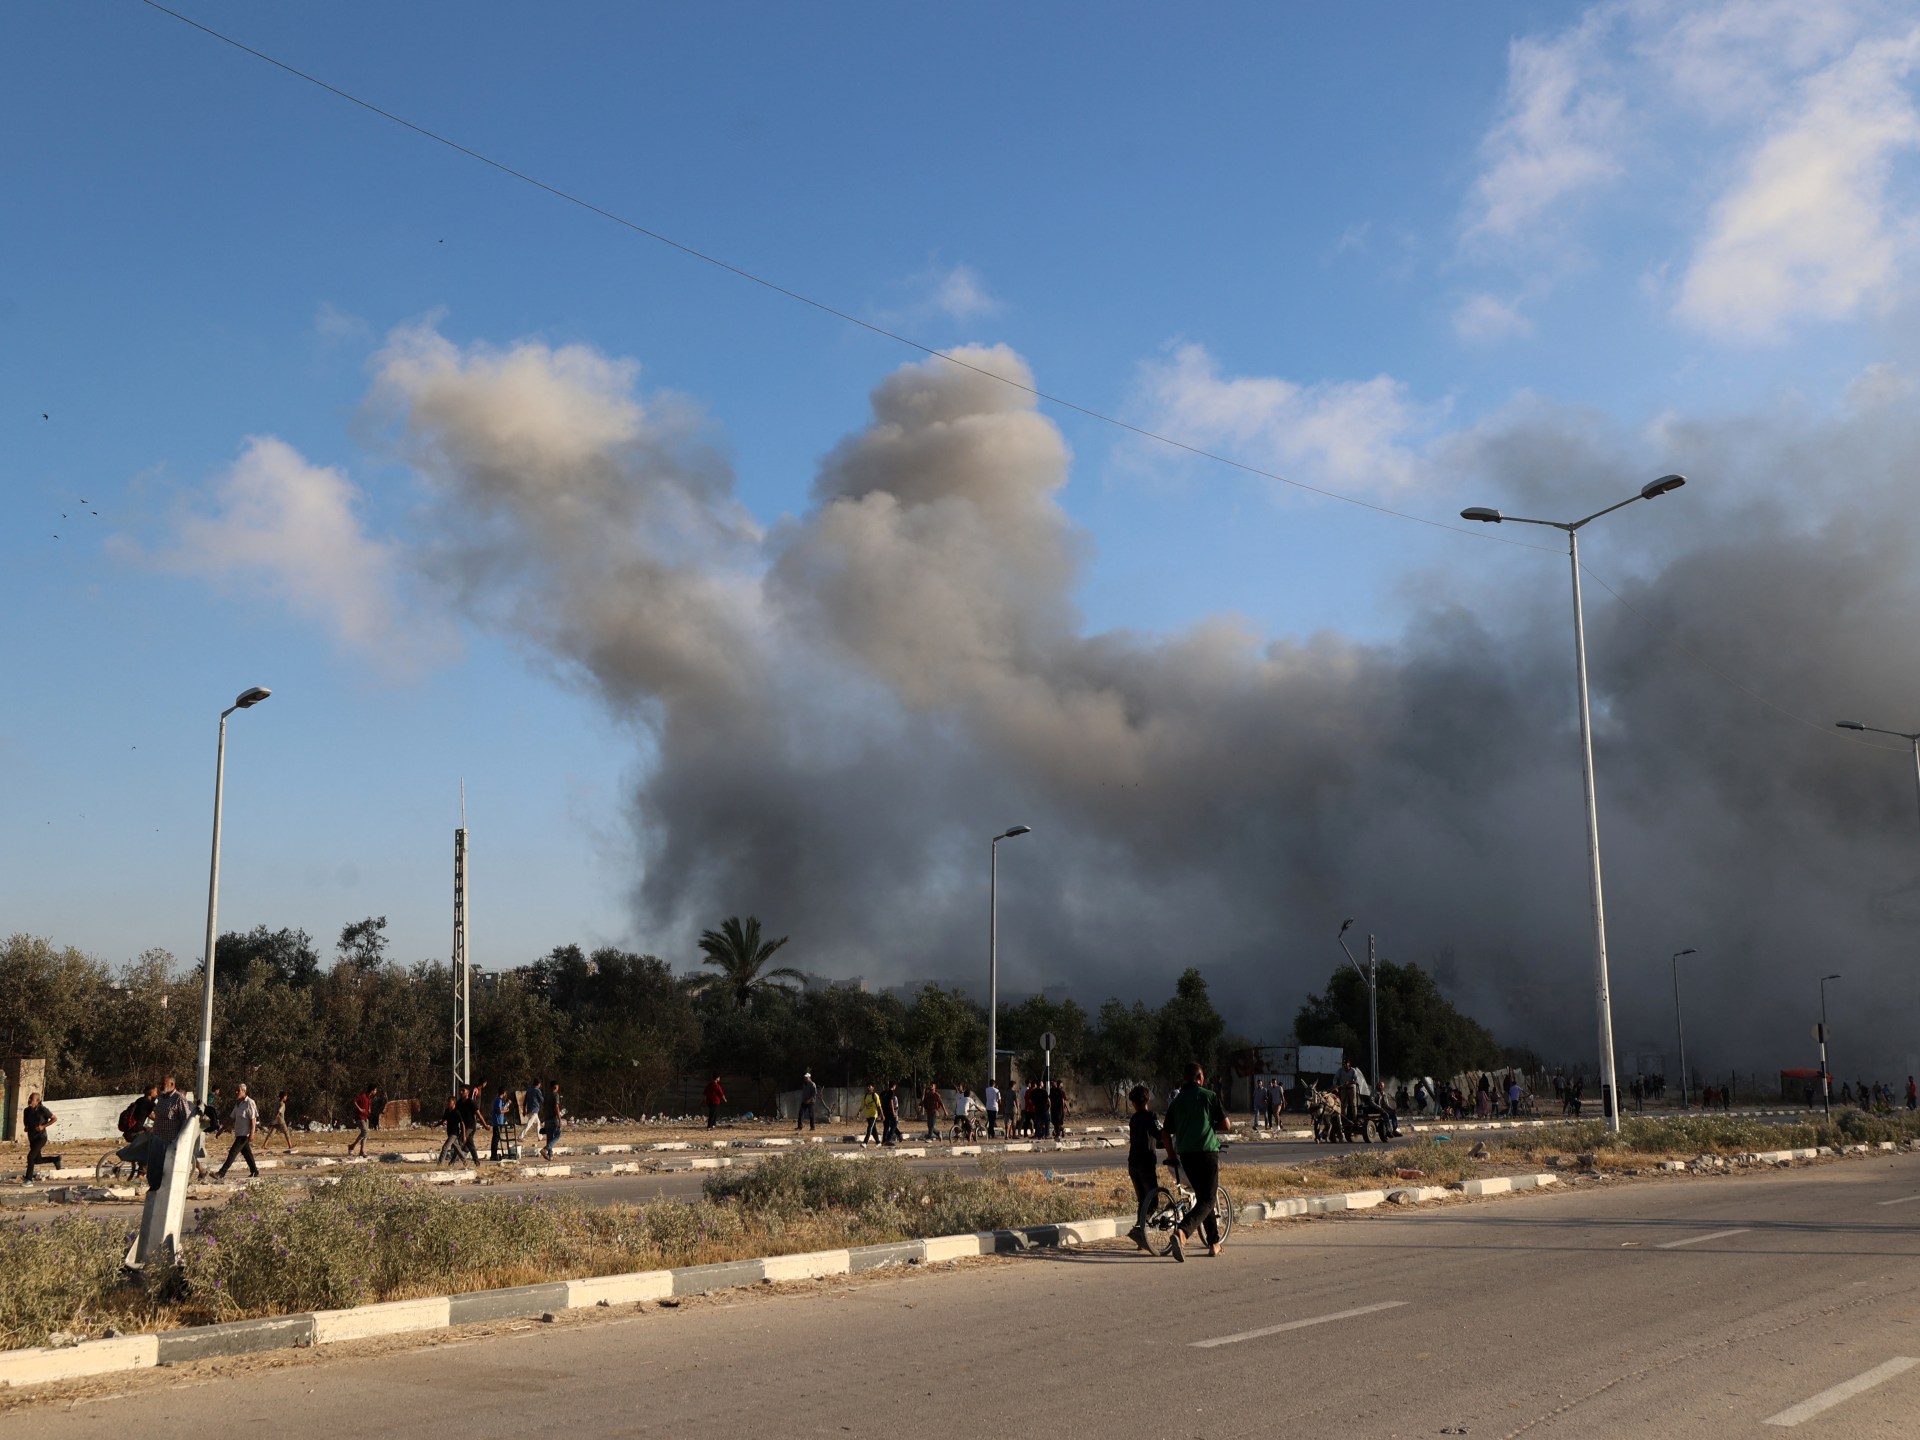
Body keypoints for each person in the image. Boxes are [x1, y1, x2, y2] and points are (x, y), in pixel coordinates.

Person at [1163, 1062, 1230, 1260]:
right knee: (1209, 1199)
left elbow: (1165, 1134)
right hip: (1207, 1153)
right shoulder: (1209, 1096)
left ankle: (1214, 1243)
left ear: (1185, 1079)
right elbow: (1226, 1125)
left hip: (1186, 1156)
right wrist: (1211, 1125)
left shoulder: (1177, 1102)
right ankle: (1182, 1232)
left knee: (1203, 1198)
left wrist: (1171, 1156)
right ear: (1200, 1078)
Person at [1124, 1084, 1165, 1252]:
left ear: (1133, 1103)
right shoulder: (1151, 1116)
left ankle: (1140, 1239)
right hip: (1146, 1164)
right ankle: (1139, 1230)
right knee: (1152, 1200)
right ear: (1147, 1100)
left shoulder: (1134, 1119)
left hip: (1133, 1163)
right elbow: (1158, 1135)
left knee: (1142, 1200)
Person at [147, 1075, 192, 1191]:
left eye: (164, 1084)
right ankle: (154, 1190)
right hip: (157, 1139)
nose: (161, 1086)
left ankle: (169, 1191)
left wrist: (181, 1141)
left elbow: (186, 1121)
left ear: (172, 1084)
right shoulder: (161, 1098)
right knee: (154, 1168)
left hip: (170, 1142)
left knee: (168, 1169)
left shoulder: (179, 1099)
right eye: (160, 1084)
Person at [217, 1083, 260, 1179]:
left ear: (244, 1091)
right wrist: (222, 1129)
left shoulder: (249, 1102)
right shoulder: (238, 1104)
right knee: (247, 1153)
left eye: (238, 1091)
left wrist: (252, 1133)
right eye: (235, 1091)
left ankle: (221, 1173)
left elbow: (253, 1119)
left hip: (245, 1134)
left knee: (233, 1152)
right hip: (239, 1133)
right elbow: (231, 1118)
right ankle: (254, 1171)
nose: (236, 1092)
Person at [20, 1091, 55, 1183]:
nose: (29, 1101)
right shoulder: (26, 1111)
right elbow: (26, 1123)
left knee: (30, 1157)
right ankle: (56, 1159)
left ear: (38, 1101)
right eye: (29, 1099)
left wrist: (43, 1126)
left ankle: (28, 1179)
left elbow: (54, 1118)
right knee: (37, 1160)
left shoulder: (43, 1110)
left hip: (41, 1137)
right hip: (32, 1138)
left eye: (32, 1099)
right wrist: (26, 1127)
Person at [455, 1084, 481, 1163]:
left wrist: (485, 1125)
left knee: (459, 1142)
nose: (461, 1092)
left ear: (468, 1092)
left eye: (463, 1090)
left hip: (470, 1126)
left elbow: (478, 1114)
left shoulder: (471, 1102)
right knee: (470, 1145)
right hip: (463, 1126)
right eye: (460, 1090)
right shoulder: (459, 1103)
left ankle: (453, 1162)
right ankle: (477, 1162)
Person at [348, 1084, 373, 1156]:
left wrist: (369, 1110)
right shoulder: (363, 1096)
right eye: (375, 1090)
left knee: (365, 1135)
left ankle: (361, 1151)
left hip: (366, 1117)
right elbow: (354, 1100)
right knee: (365, 1132)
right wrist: (360, 1109)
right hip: (360, 1117)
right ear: (372, 1090)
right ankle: (352, 1146)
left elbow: (369, 1106)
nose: (376, 1091)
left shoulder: (369, 1098)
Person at [540, 1079, 562, 1160]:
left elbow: (544, 1107)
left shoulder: (546, 1095)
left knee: (549, 1137)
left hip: (547, 1118)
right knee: (559, 1134)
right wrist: (559, 1119)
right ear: (556, 1086)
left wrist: (544, 1117)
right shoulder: (555, 1095)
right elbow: (556, 1107)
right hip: (553, 1118)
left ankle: (550, 1155)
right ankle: (545, 1149)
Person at [520, 1079, 545, 1148]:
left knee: (537, 1123)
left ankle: (540, 1137)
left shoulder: (529, 1090)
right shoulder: (537, 1090)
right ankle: (520, 1136)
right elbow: (542, 1100)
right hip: (534, 1109)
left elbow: (525, 1101)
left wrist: (524, 1109)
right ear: (538, 1084)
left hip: (529, 1109)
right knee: (529, 1124)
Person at [490, 1086, 511, 1160]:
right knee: (496, 1139)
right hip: (497, 1122)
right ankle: (494, 1155)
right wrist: (507, 1111)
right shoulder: (499, 1100)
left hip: (499, 1121)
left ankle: (493, 1154)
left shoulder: (499, 1100)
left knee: (496, 1138)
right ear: (503, 1093)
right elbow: (500, 1111)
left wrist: (507, 1104)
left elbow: (501, 1109)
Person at [880, 1080, 902, 1147]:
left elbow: (880, 1103)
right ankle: (888, 1140)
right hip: (890, 1111)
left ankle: (884, 1141)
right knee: (894, 1124)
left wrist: (881, 1112)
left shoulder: (883, 1093)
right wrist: (893, 1112)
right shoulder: (891, 1092)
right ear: (894, 1086)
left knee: (886, 1126)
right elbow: (891, 1102)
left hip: (884, 1111)